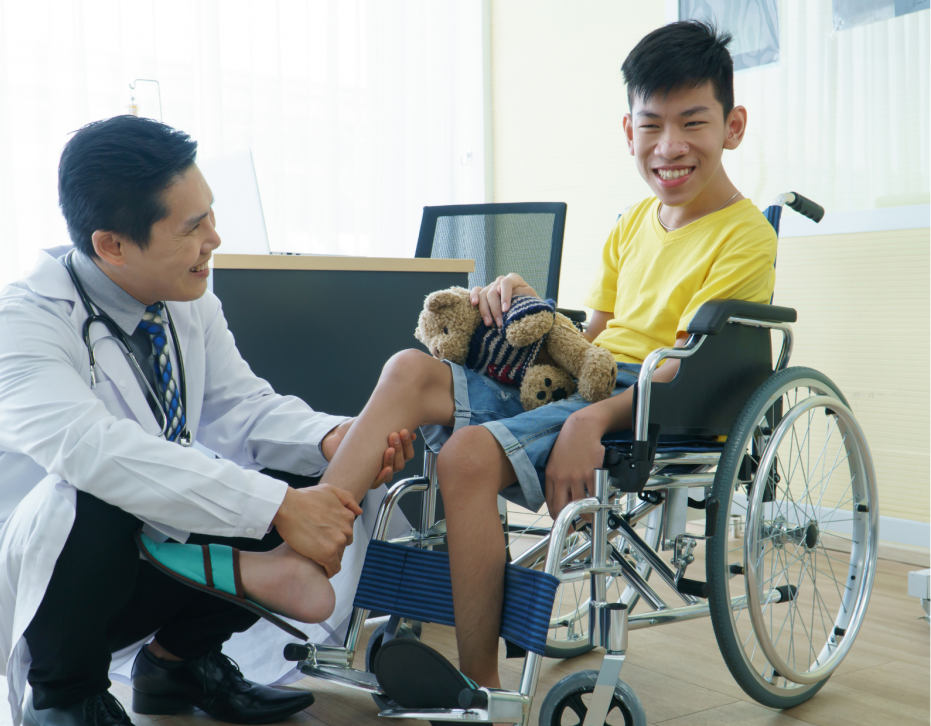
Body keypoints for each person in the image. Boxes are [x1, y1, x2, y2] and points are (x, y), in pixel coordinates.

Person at [299, 20, 778, 694]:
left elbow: (682, 368)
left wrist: (589, 420)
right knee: (408, 370)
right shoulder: (631, 225)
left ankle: (481, 686)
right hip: (590, 379)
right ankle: (304, 556)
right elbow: (592, 337)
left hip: (654, 396)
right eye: (651, 125)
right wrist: (527, 305)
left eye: (692, 122)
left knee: (466, 458)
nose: (669, 145)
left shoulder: (745, 235)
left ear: (733, 127)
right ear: (629, 131)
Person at [0, 115, 416, 726]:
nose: (214, 238)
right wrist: (276, 508)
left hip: (135, 560)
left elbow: (241, 408)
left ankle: (178, 665)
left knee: (298, 475)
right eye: (192, 227)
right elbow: (96, 452)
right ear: (112, 245)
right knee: (100, 490)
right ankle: (65, 697)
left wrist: (328, 438)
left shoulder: (185, 299)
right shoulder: (18, 327)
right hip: (28, 586)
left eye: (210, 215)